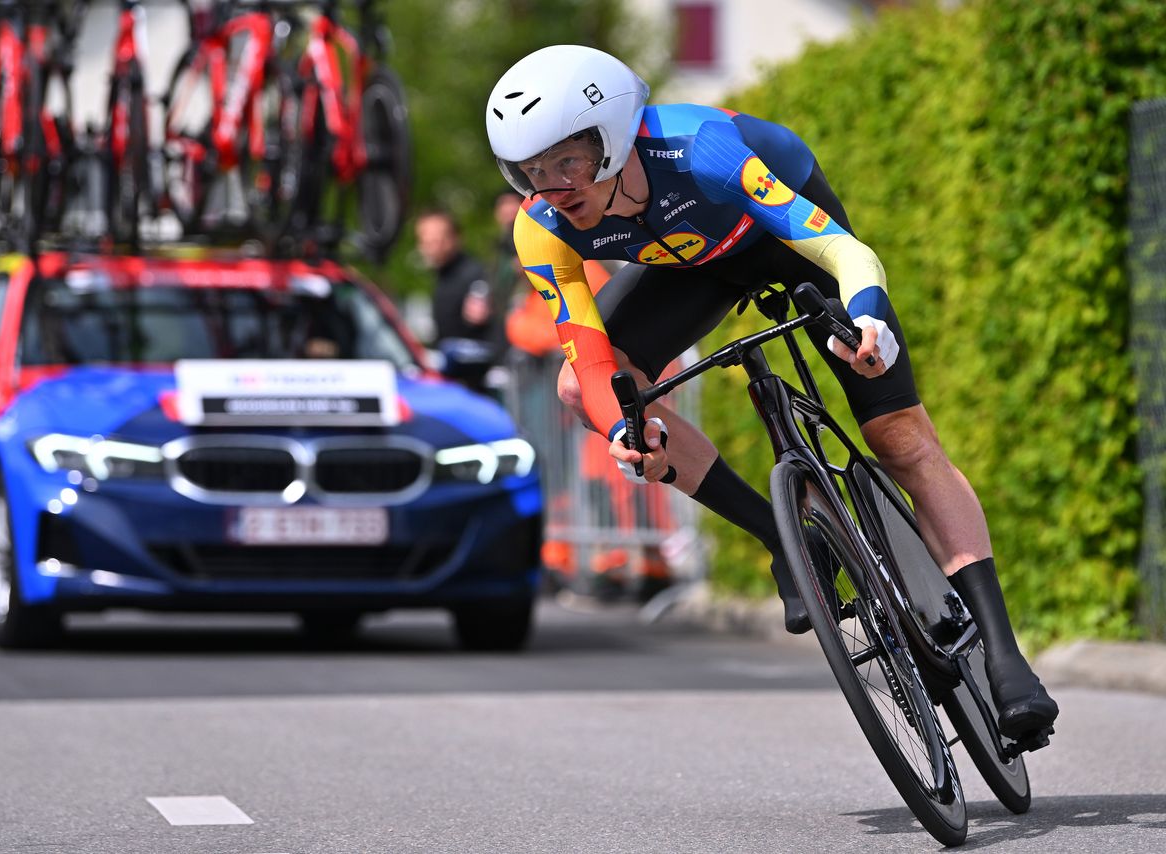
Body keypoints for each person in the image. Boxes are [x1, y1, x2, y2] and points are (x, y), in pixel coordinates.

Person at [485, 44, 1057, 740]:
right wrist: (622, 430)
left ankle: (1003, 654)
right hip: (695, 265)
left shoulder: (702, 151)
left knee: (898, 437)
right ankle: (785, 538)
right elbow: (589, 353)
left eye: (566, 162)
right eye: (530, 171)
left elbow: (847, 252)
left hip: (781, 240)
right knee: (585, 389)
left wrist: (869, 317)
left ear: (609, 140)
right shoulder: (541, 230)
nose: (551, 186)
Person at [414, 208, 496, 344]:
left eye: (438, 240)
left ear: (456, 238)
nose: (433, 247)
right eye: (426, 241)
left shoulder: (474, 275)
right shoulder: (442, 275)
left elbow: (479, 317)